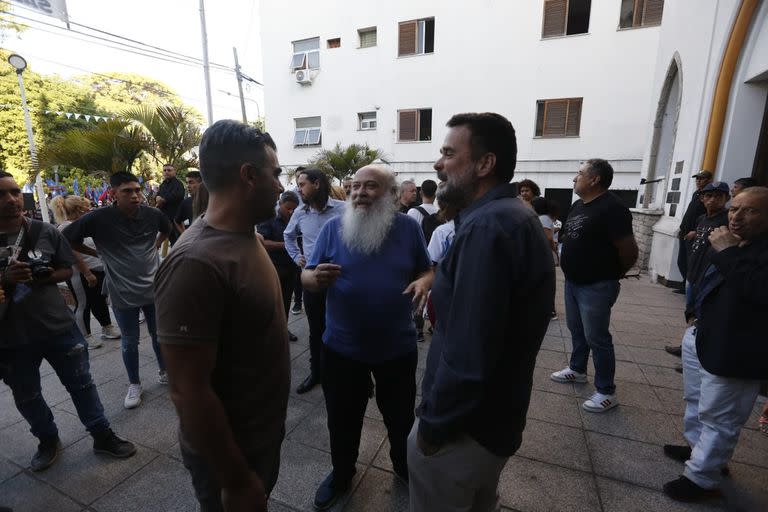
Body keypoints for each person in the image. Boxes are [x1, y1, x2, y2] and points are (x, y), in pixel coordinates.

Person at [409, 113, 554, 512]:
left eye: (449, 153)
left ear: (485, 164)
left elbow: (470, 349)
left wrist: (433, 430)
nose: (438, 164)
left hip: (463, 434)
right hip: (490, 423)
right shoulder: (504, 217)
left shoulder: (488, 227)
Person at [155, 120, 289, 512]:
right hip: (231, 457)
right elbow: (188, 391)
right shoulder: (196, 263)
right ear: (249, 175)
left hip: (261, 438)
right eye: (276, 174)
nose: (281, 186)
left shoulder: (247, 235)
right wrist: (236, 480)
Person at [302, 165, 432, 510]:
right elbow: (307, 274)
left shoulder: (408, 229)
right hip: (342, 348)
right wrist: (314, 280)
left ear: (390, 195)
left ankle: (404, 467)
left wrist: (424, 282)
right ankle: (342, 472)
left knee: (401, 417)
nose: (359, 192)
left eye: (370, 186)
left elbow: (427, 267)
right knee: (342, 418)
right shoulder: (334, 228)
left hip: (397, 347)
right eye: (355, 186)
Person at [0, 171, 135, 472]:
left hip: (57, 328)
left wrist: (44, 277)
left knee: (82, 384)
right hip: (11, 339)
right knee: (28, 395)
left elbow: (65, 268)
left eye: (13, 192)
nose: (11, 199)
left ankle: (102, 434)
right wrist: (4, 279)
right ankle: (47, 440)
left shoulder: (44, 231)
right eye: (2, 195)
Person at [662, 187, 768, 502]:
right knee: (697, 400)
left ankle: (702, 478)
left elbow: (757, 288)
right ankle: (697, 448)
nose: (736, 216)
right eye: (735, 209)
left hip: (738, 348)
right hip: (705, 333)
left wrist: (727, 253)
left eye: (750, 210)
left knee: (721, 416)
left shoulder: (740, 249)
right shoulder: (732, 243)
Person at [63, 172, 171, 409]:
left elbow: (168, 228)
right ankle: (135, 383)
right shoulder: (98, 218)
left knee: (159, 334)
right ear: (113, 193)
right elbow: (67, 238)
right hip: (122, 290)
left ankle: (165, 371)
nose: (134, 195)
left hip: (154, 287)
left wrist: (154, 245)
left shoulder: (152, 214)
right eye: (127, 191)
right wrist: (97, 253)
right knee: (129, 341)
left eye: (137, 190)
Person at [551, 159, 638, 412]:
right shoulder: (579, 205)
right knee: (577, 330)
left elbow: (629, 250)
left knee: (597, 337)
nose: (574, 178)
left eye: (579, 173)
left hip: (597, 285)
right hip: (573, 282)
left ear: (595, 179)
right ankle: (577, 369)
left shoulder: (613, 208)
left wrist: (613, 275)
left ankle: (606, 391)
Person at [284, 168, 345, 394]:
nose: (299, 189)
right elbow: (288, 236)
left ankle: (349, 373)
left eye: (302, 184)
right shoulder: (300, 213)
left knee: (343, 326)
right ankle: (317, 372)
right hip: (312, 281)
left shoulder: (343, 210)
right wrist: (295, 257)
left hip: (341, 279)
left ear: (316, 183)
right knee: (316, 329)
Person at [665, 182, 730, 360]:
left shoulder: (727, 220)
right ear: (702, 198)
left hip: (707, 277)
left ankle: (698, 354)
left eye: (718, 196)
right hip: (693, 274)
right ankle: (689, 349)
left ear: (726, 199)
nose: (712, 200)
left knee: (704, 314)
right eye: (708, 196)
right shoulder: (702, 219)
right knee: (691, 312)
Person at [50, 195, 121, 349]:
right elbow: (74, 253)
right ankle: (85, 335)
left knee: (99, 300)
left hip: (97, 269)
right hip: (80, 273)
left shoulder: (82, 224)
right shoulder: (65, 227)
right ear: (79, 209)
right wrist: (87, 273)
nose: (88, 209)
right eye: (85, 206)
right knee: (83, 304)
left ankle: (107, 327)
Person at [258, 190, 301, 342]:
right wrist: (288, 245)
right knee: (271, 303)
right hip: (272, 267)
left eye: (294, 209)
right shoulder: (268, 218)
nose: (291, 212)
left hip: (291, 268)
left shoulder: (297, 218)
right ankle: (267, 332)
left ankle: (283, 330)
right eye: (288, 208)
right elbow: (263, 243)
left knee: (286, 301)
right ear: (280, 204)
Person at [677, 170, 713, 291]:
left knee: (690, 261)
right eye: (697, 179)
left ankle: (688, 286)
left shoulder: (708, 196)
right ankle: (684, 284)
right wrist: (682, 228)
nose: (698, 181)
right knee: (681, 261)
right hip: (685, 231)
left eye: (701, 179)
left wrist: (696, 231)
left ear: (709, 180)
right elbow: (690, 213)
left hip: (694, 233)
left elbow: (706, 217)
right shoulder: (696, 194)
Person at [532, 197, 559, 320]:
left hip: (545, 255)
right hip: (545, 255)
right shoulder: (544, 218)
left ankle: (549, 310)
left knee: (544, 283)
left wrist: (555, 251)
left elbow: (548, 238)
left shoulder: (543, 218)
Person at [155, 164, 185, 245]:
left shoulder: (178, 184)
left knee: (179, 240)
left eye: (169, 170)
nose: (166, 172)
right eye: (164, 170)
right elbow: (158, 194)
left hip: (176, 217)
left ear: (174, 172)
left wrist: (164, 199)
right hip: (165, 217)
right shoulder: (163, 184)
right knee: (170, 239)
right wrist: (157, 197)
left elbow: (179, 195)